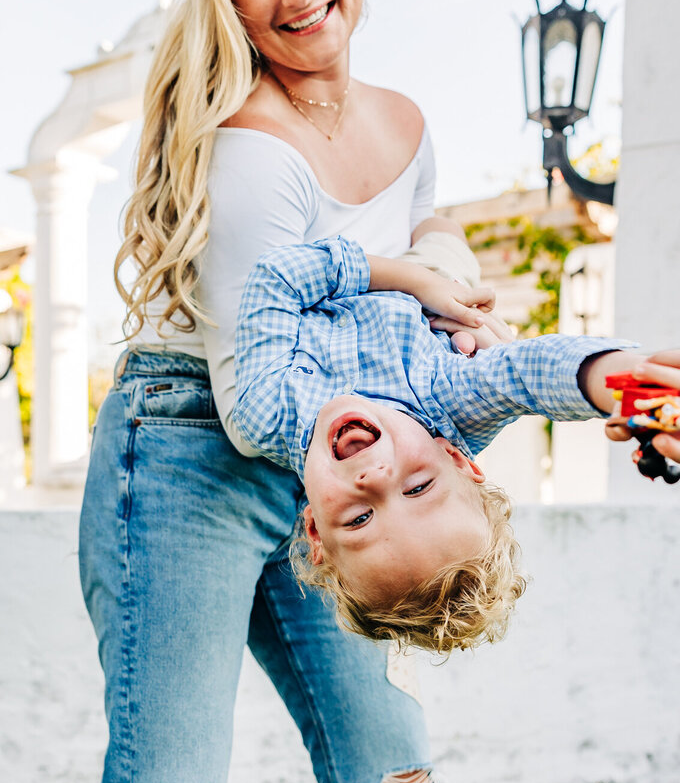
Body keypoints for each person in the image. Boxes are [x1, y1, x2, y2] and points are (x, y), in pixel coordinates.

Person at [73, 0, 500, 783]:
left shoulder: (403, 123)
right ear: (232, 3)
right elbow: (262, 400)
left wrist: (449, 273)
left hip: (334, 464)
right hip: (193, 453)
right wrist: (409, 312)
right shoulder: (248, 152)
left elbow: (421, 220)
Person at [232, 236, 646, 653]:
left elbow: (279, 276)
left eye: (359, 518)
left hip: (391, 267)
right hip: (434, 270)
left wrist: (414, 281)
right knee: (440, 232)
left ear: (315, 529)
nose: (374, 479)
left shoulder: (267, 412)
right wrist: (632, 386)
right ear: (455, 458)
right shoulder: (450, 400)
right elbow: (530, 375)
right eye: (417, 489)